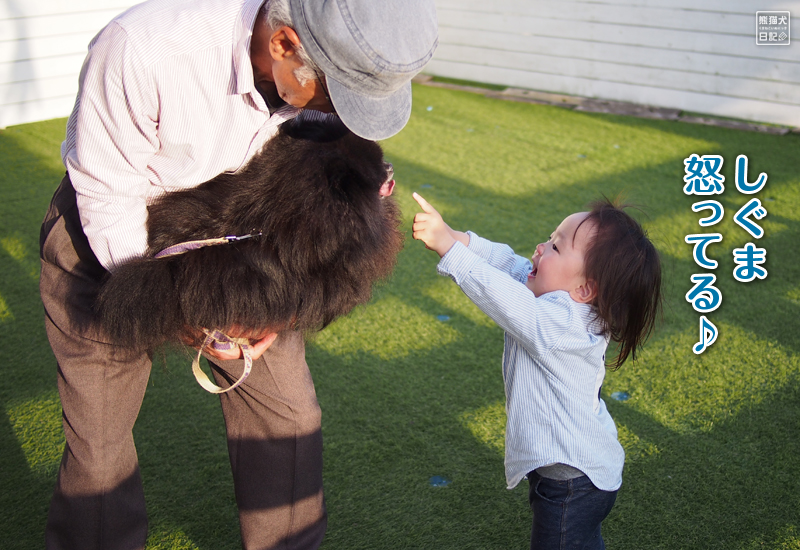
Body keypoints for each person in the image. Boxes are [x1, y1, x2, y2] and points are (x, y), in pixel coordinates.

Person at [39, 0, 437, 548]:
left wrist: (280, 302)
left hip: (237, 230)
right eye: (336, 95)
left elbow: (320, 156)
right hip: (110, 235)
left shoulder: (304, 69)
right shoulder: (143, 49)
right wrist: (192, 313)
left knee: (287, 417)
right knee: (99, 440)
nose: (344, 116)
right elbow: (108, 198)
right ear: (283, 44)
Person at [411, 193, 662, 550]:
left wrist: (451, 252)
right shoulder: (550, 294)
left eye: (557, 248)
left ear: (584, 289)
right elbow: (507, 265)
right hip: (575, 473)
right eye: (551, 237)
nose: (541, 247)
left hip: (573, 484)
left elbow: (502, 297)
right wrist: (456, 237)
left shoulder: (561, 325)